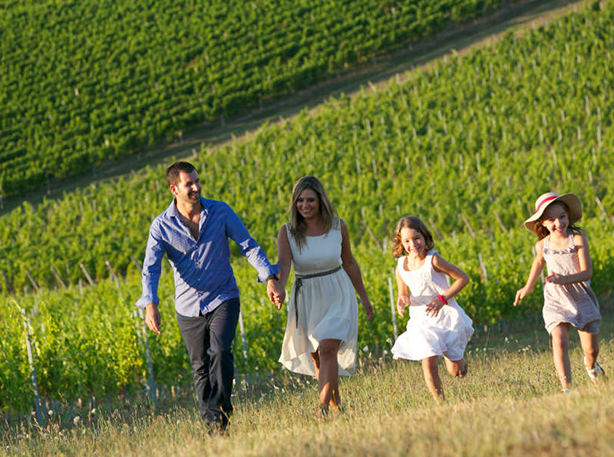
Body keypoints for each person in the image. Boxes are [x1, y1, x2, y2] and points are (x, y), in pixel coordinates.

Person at [137, 161, 285, 433]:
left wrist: (270, 278)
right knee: (200, 367)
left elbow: (249, 247)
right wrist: (150, 303)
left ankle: (222, 411)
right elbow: (151, 268)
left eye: (197, 181)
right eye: (188, 184)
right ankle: (213, 425)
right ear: (174, 189)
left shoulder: (220, 211)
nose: (196, 187)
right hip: (187, 307)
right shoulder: (161, 227)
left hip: (223, 297)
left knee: (219, 350)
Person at [273, 176, 373, 417]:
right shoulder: (288, 232)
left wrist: (364, 297)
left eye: (310, 200)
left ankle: (321, 410)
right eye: (299, 200)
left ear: (320, 200)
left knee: (328, 348)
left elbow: (349, 262)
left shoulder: (339, 226)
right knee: (319, 357)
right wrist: (278, 287)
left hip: (337, 292)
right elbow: (284, 266)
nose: (304, 205)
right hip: (306, 296)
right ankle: (337, 406)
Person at [513, 192, 605, 392]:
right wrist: (527, 287)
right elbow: (538, 263)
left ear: (568, 216)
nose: (558, 223)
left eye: (562, 216)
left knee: (591, 350)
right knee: (559, 339)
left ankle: (591, 366)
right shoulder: (542, 245)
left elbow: (587, 272)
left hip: (580, 296)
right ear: (543, 224)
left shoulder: (577, 239)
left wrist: (564, 279)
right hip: (555, 298)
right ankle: (567, 388)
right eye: (551, 219)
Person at [390, 216, 474, 404]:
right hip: (422, 321)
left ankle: (460, 362)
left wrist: (442, 299)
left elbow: (463, 278)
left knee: (456, 371)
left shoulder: (433, 260)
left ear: (425, 236)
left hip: (445, 317)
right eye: (407, 241)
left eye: (417, 238)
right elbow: (402, 292)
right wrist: (401, 301)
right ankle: (440, 403)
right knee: (428, 360)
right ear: (401, 243)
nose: (413, 244)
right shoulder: (401, 266)